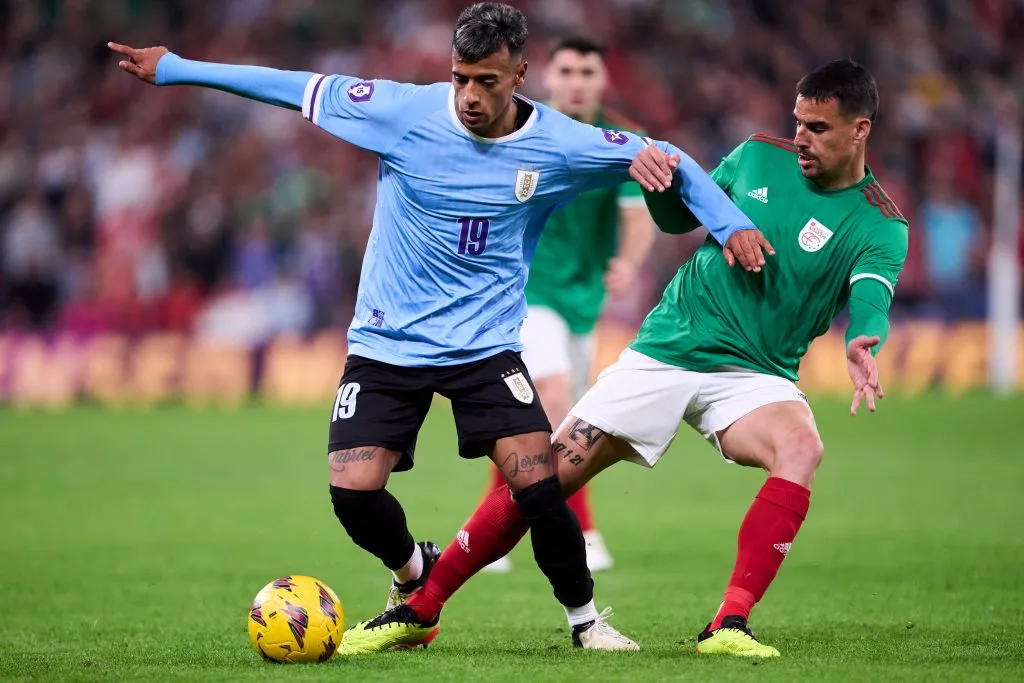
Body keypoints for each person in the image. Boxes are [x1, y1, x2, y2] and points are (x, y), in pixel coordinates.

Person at [108, 1, 766, 653]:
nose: (470, 95)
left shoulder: (558, 141)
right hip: (386, 344)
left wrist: (729, 223)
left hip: (485, 348)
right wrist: (176, 69)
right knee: (354, 494)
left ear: (520, 75)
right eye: (460, 77)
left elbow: (666, 156)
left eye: (486, 80)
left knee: (539, 486)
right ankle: (412, 575)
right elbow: (289, 86)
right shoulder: (398, 110)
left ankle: (586, 620)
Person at [355, 58, 907, 658]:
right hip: (668, 351)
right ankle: (420, 607)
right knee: (539, 480)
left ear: (860, 129)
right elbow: (677, 219)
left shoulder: (880, 222)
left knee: (802, 448)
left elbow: (871, 294)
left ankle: (729, 623)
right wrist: (664, 184)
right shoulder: (755, 156)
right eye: (798, 122)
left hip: (755, 375)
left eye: (819, 129)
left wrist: (864, 337)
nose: (801, 138)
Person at [481, 36, 654, 575]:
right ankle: (582, 529)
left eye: (588, 72)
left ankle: (490, 528)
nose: (577, 81)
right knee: (555, 401)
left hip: (583, 300)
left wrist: (628, 261)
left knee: (542, 417)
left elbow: (639, 214)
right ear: (546, 78)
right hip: (527, 293)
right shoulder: (518, 134)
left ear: (602, 81)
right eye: (568, 71)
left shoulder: (623, 142)